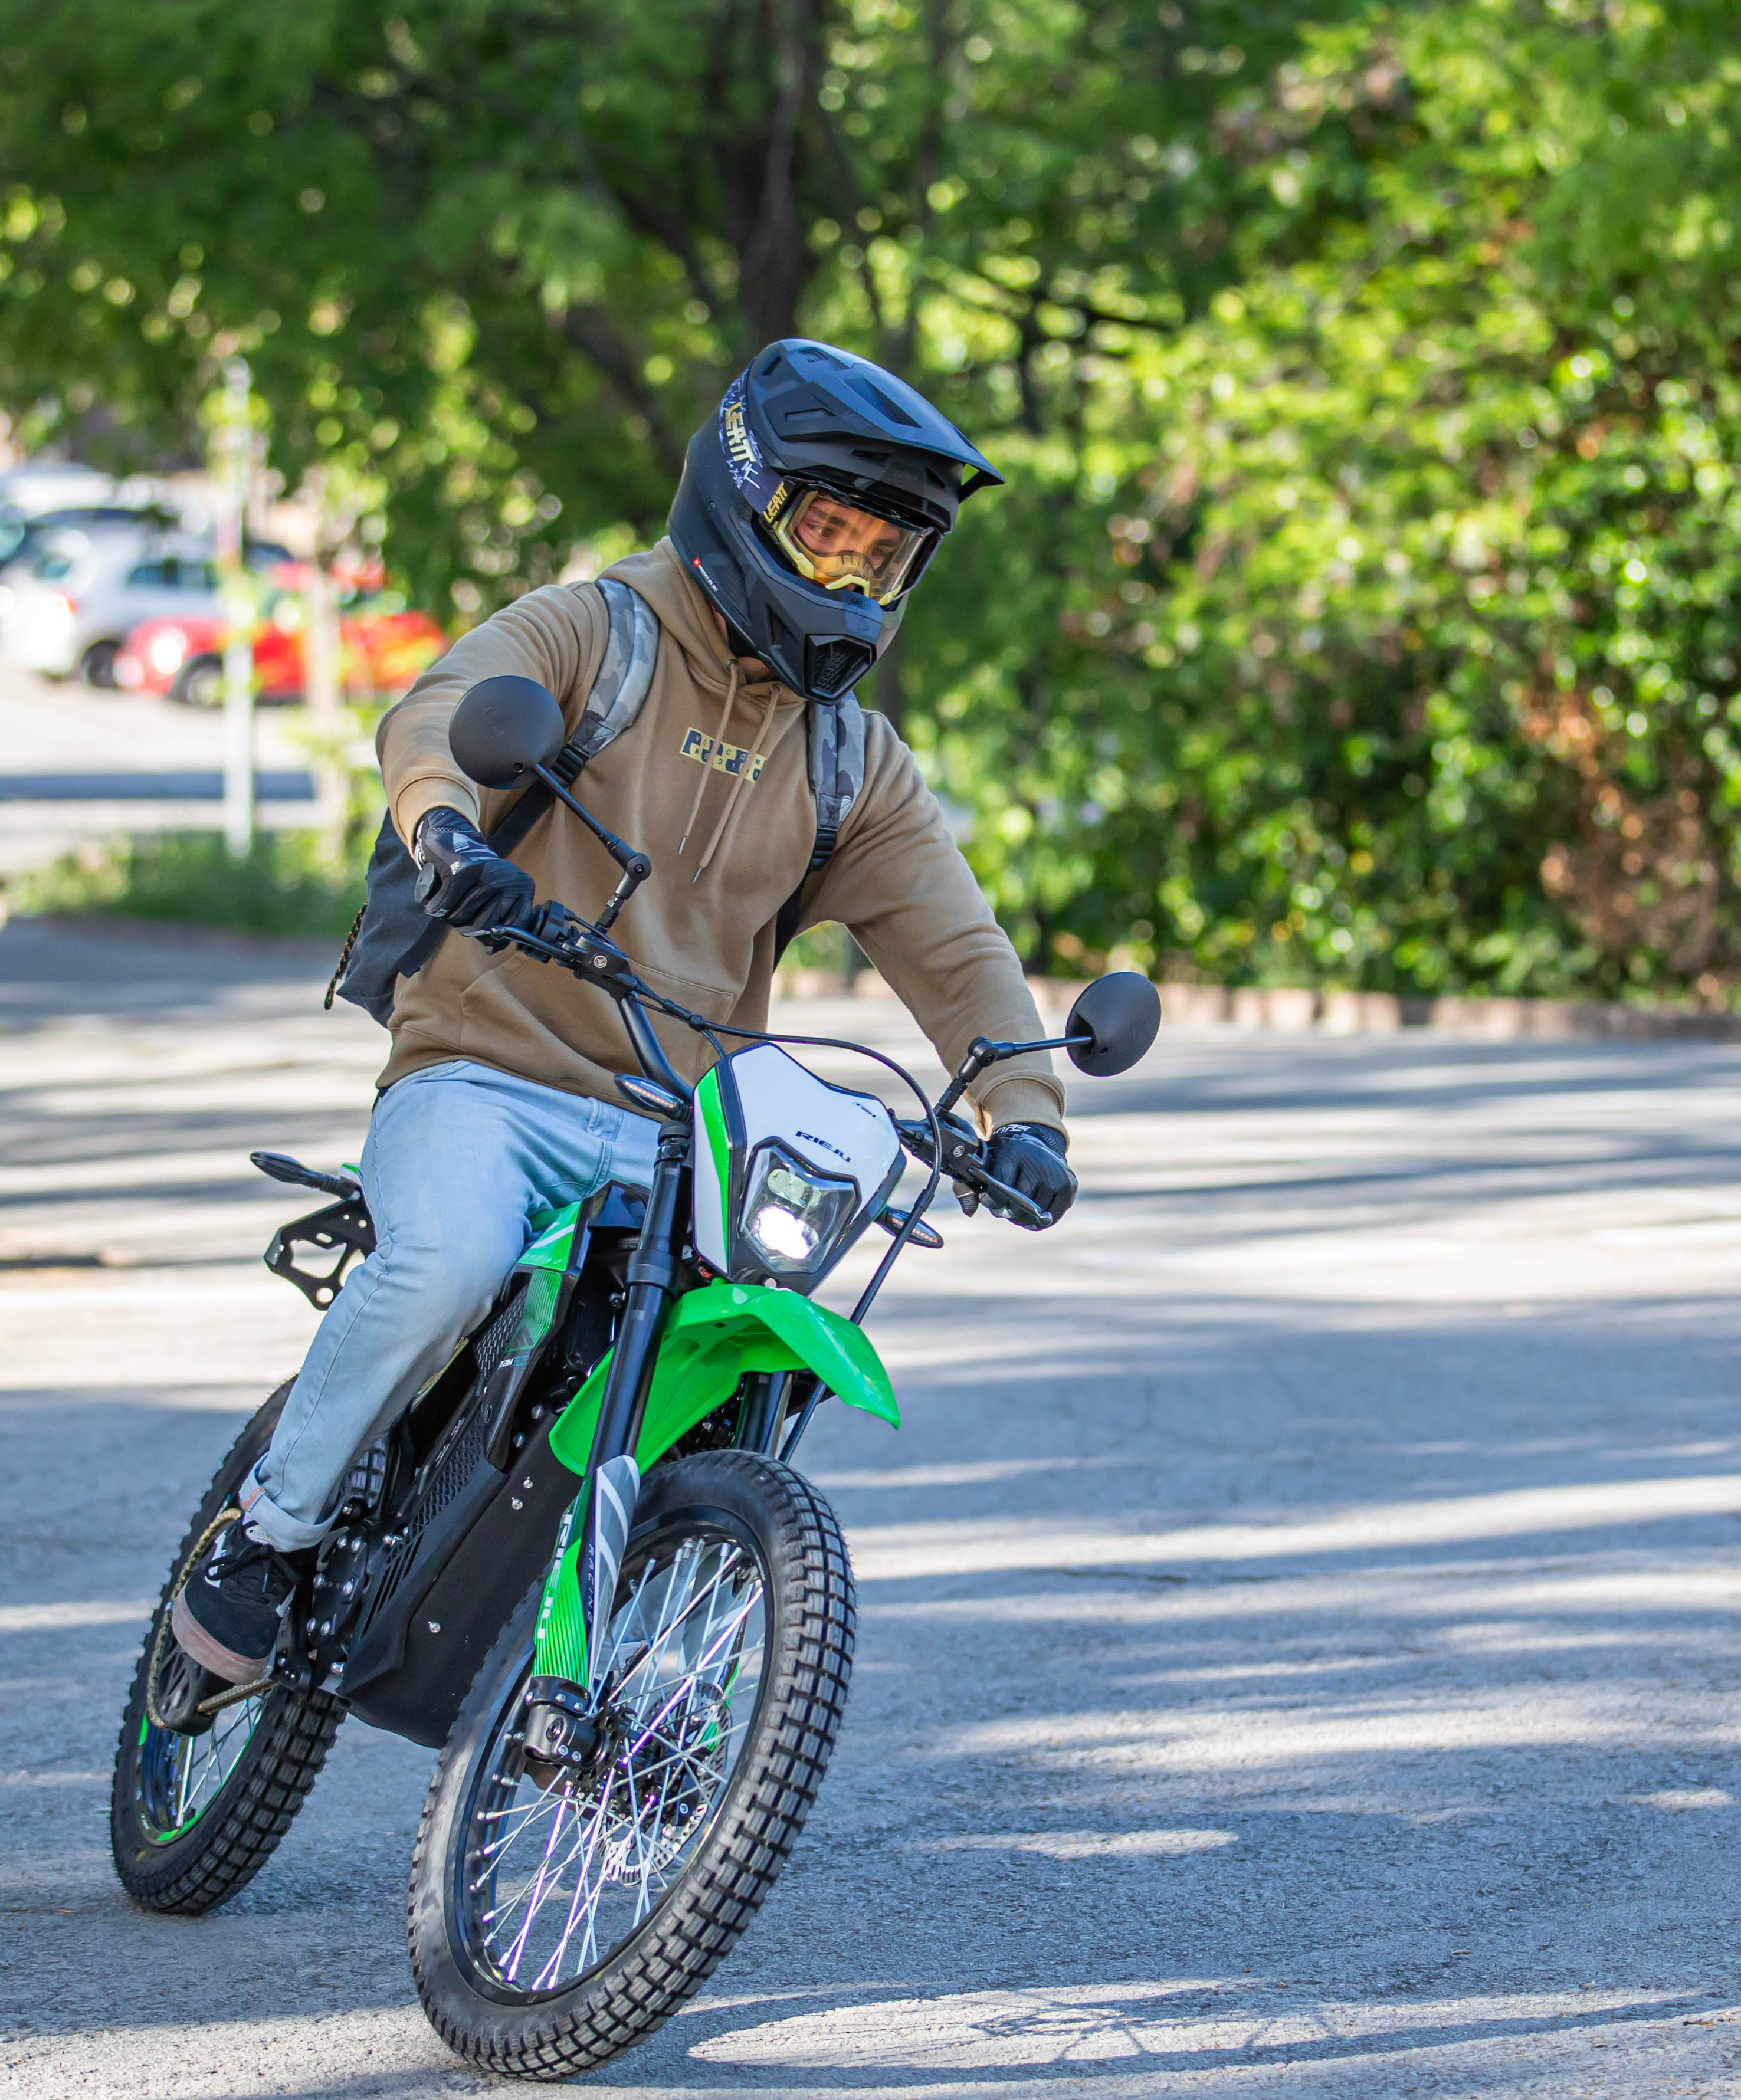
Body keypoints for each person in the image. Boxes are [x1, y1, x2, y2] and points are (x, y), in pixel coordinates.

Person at [171, 339, 1078, 1682]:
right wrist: (446, 832)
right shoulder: (598, 634)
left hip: (679, 1129)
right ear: (742, 497)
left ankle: (643, 1678)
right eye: (826, 535)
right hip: (483, 1075)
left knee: (747, 1357)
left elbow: (957, 946)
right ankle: (269, 1532)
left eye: (881, 559)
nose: (849, 580)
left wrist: (1024, 1108)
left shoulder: (849, 760)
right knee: (448, 1261)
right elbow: (435, 715)